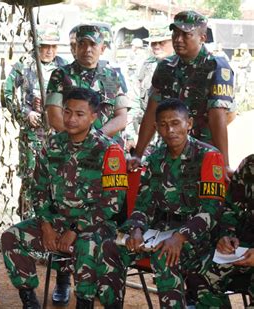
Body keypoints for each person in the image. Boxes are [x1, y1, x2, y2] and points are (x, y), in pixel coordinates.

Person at [1, 88, 127, 309]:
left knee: (86, 245)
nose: (71, 119)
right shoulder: (52, 145)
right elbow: (38, 190)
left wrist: (75, 230)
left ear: (94, 117)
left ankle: (84, 302)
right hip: (58, 221)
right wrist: (46, 225)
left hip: (95, 225)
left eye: (79, 114)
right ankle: (29, 299)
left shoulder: (108, 150)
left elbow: (112, 203)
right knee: (11, 237)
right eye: (67, 112)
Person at [96, 98, 226, 308]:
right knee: (110, 248)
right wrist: (136, 229)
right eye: (164, 125)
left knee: (164, 256)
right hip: (158, 232)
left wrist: (180, 236)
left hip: (197, 237)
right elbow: (144, 204)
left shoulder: (208, 156)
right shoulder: (155, 159)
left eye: (176, 123)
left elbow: (212, 211)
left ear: (189, 124)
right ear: (156, 128)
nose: (170, 130)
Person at [128, 11, 235, 175]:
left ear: (202, 38)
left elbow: (218, 116)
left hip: (202, 153)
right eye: (175, 33)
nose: (178, 39)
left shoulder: (216, 67)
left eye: (186, 35)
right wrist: (138, 154)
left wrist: (223, 163)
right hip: (169, 151)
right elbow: (152, 111)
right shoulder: (165, 67)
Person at [3, 24, 67, 218]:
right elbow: (7, 93)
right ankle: (26, 221)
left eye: (53, 46)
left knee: (57, 176)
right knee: (30, 177)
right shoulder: (23, 65)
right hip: (33, 133)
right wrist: (25, 113)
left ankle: (52, 221)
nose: (49, 51)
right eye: (44, 46)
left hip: (58, 132)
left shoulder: (64, 67)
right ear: (36, 45)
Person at [45, 24, 130, 146]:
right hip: (70, 149)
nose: (87, 49)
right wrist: (78, 140)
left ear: (102, 49)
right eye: (82, 44)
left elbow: (121, 117)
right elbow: (54, 116)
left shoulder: (112, 77)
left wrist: (95, 139)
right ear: (75, 47)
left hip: (106, 148)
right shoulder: (61, 75)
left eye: (93, 44)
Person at [195, 154, 254, 307]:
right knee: (200, 273)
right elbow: (231, 208)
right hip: (245, 248)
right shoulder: (250, 164)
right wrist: (227, 235)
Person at [125, 24, 174, 151]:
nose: (156, 46)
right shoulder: (146, 65)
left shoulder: (182, 65)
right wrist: (130, 135)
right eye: (153, 43)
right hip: (149, 137)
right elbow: (134, 101)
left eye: (161, 42)